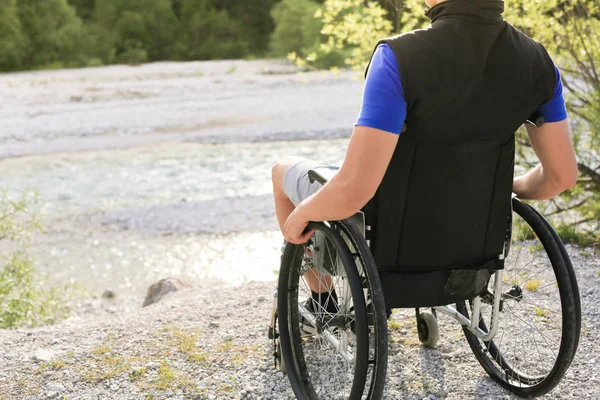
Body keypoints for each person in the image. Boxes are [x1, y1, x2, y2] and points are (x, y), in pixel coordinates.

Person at [271, 0, 578, 303]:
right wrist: (507, 188)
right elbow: (560, 178)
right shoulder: (539, 63)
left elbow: (353, 190)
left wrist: (301, 216)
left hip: (391, 249)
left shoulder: (398, 58)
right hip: (474, 249)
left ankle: (323, 302)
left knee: (281, 171)